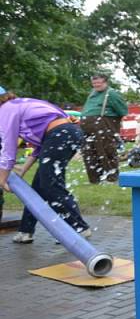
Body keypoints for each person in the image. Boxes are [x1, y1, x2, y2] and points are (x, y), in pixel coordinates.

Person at [0, 86, 92, 244]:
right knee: (39, 187)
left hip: (60, 135)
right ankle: (26, 231)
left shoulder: (6, 110)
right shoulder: (22, 103)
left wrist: (2, 179)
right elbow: (40, 146)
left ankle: (79, 227)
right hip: (67, 133)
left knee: (50, 185)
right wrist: (23, 168)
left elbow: (9, 148)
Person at [81, 73, 129, 183]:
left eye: (98, 83)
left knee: (106, 151)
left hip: (103, 125)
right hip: (87, 127)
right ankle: (95, 179)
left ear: (106, 82)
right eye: (94, 83)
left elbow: (123, 111)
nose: (96, 85)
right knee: (89, 153)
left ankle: (111, 177)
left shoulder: (112, 94)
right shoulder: (92, 94)